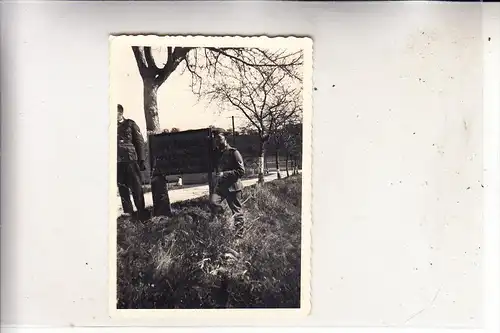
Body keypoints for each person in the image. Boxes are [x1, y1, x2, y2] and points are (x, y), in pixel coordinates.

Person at [210, 128, 246, 234]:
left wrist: (224, 174)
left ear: (225, 138)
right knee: (213, 202)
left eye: (219, 138)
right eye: (215, 139)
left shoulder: (234, 152)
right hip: (221, 187)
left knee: (237, 211)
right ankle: (224, 222)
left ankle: (239, 234)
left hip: (233, 187)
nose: (217, 141)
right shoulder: (215, 153)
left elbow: (241, 171)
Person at [117, 104, 147, 217]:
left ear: (120, 113)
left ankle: (141, 212)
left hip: (131, 161)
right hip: (118, 163)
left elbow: (139, 142)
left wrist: (142, 159)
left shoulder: (130, 124)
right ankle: (128, 213)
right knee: (122, 188)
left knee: (136, 187)